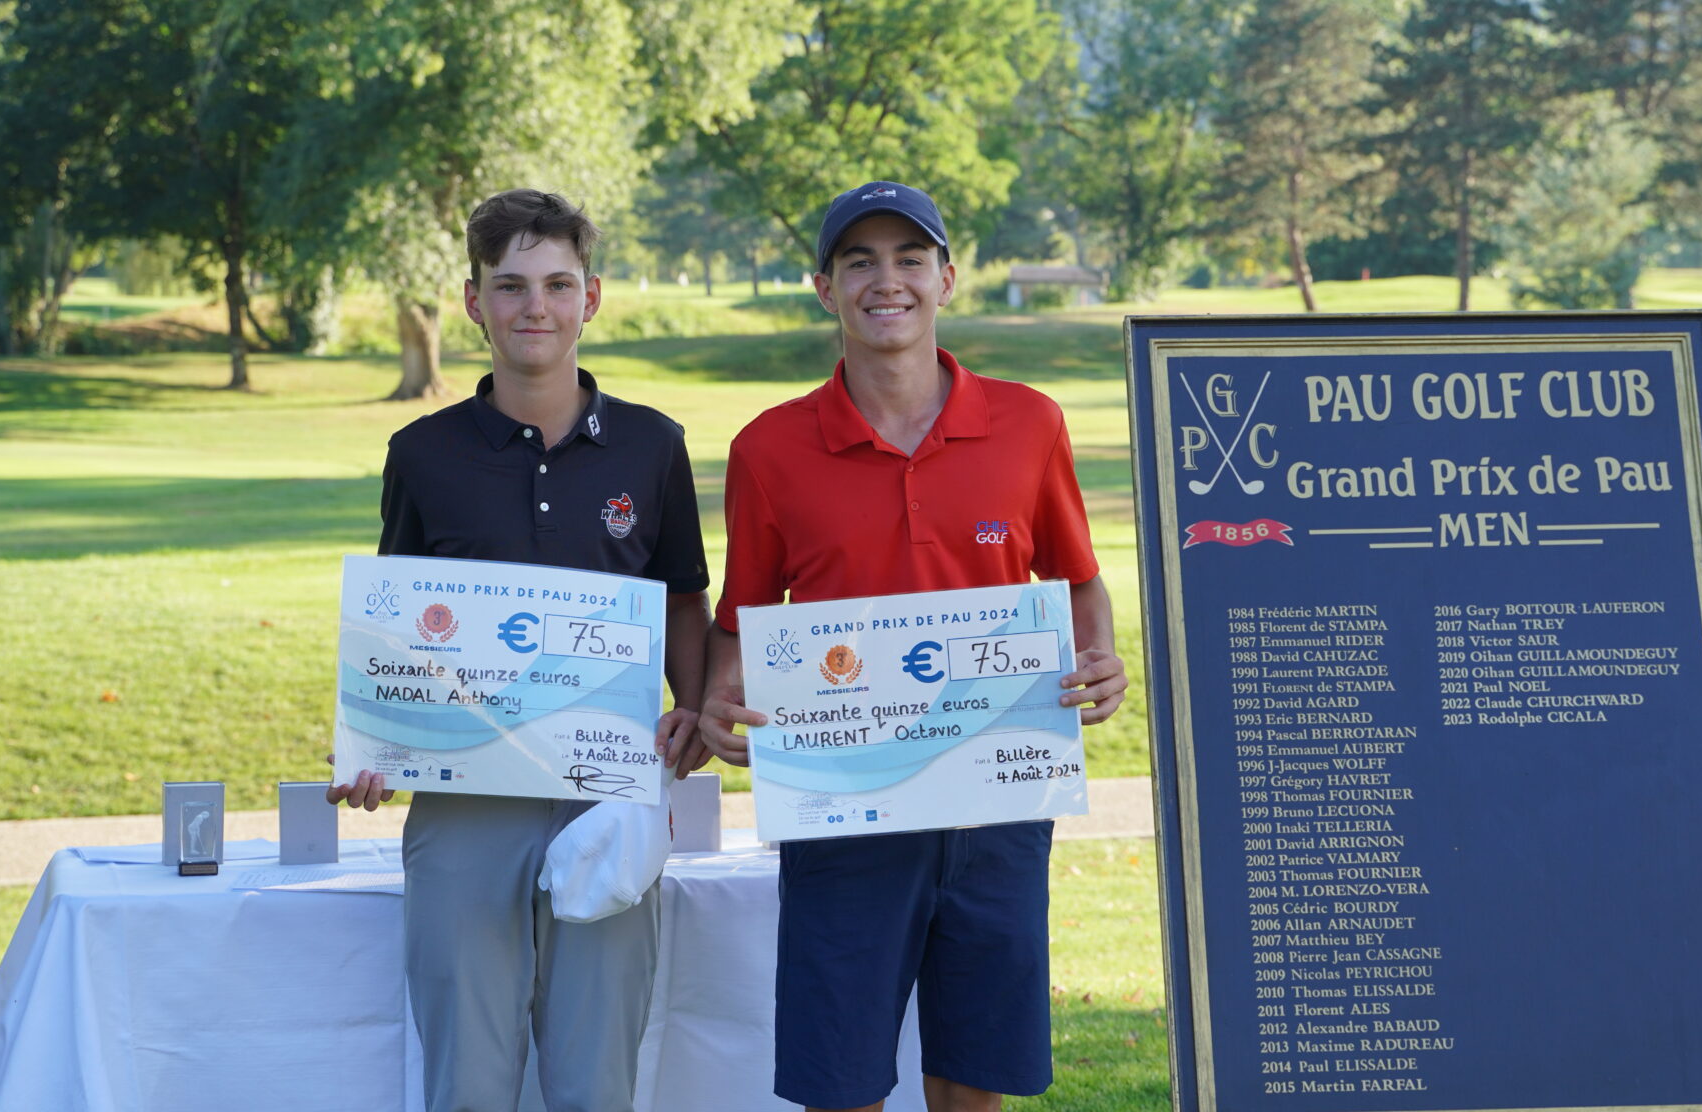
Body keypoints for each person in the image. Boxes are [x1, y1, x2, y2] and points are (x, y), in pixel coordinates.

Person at [699, 180, 1128, 1112]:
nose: (884, 281)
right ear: (824, 288)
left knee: (973, 1073)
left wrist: (1099, 656)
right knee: (840, 1077)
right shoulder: (768, 449)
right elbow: (741, 619)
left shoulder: (1030, 422)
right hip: (844, 810)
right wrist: (721, 704)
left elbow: (1077, 580)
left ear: (946, 278)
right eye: (858, 261)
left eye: (908, 259)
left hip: (996, 798)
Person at [330, 188, 711, 1112]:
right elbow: (398, 621)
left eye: (556, 284)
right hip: (467, 799)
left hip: (607, 792)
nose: (533, 307)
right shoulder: (422, 452)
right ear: (473, 301)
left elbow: (682, 598)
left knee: (594, 1077)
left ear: (591, 299)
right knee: (468, 1075)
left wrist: (694, 710)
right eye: (510, 285)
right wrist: (378, 745)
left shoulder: (653, 448)